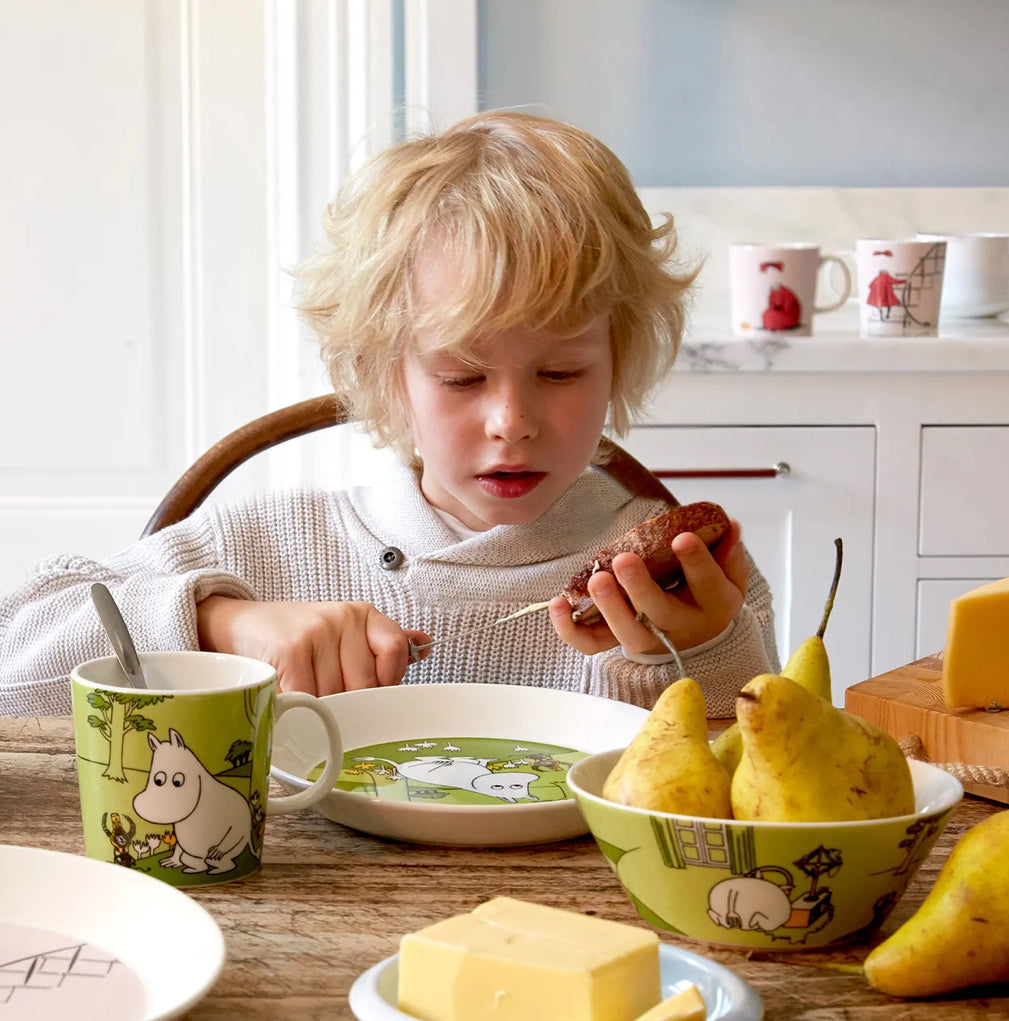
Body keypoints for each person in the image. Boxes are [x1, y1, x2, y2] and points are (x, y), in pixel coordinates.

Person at [0, 110, 778, 718]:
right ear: (384, 369)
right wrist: (222, 627)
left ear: (619, 355)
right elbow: (16, 659)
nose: (512, 418)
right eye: (462, 376)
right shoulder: (269, 548)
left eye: (560, 370)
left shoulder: (693, 585)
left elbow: (755, 802)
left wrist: (706, 654)